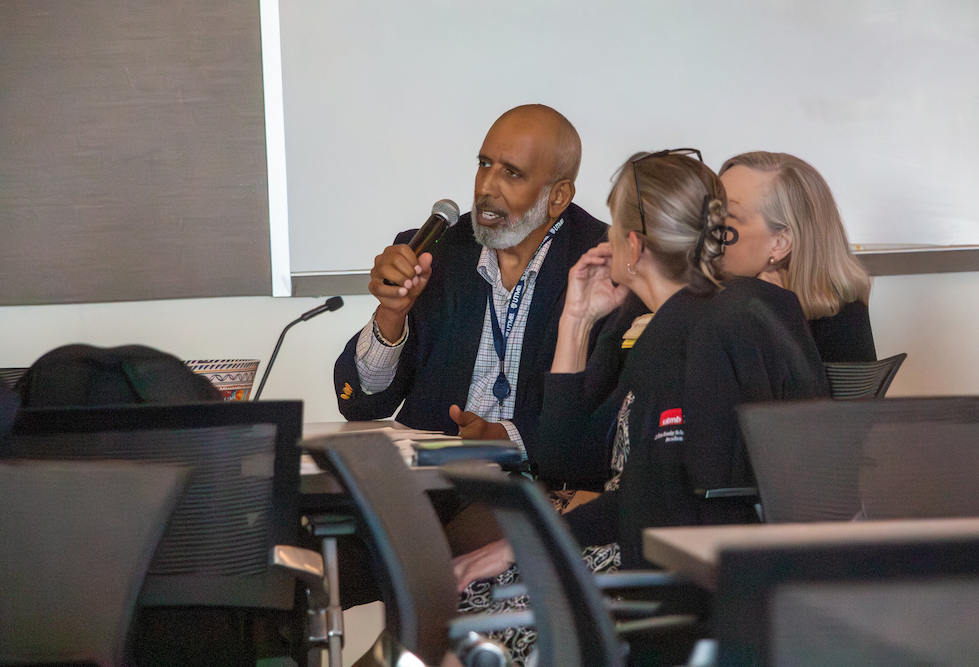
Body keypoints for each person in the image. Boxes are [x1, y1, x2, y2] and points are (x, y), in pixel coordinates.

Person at [454, 151, 829, 662]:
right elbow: (568, 462)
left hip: (678, 579)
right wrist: (576, 323)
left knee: (465, 613)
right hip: (688, 562)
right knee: (468, 598)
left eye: (612, 227)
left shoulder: (694, 331)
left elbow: (669, 500)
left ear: (632, 244)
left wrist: (531, 542)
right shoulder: (680, 321)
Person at [334, 104, 609, 456]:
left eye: (511, 173)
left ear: (557, 196)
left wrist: (508, 438)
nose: (486, 187)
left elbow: (606, 413)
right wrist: (392, 313)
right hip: (436, 480)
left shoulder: (603, 263)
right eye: (484, 165)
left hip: (545, 483)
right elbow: (362, 405)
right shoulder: (436, 251)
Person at [719, 151, 876, 362]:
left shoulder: (747, 316)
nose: (705, 225)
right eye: (709, 208)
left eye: (728, 215)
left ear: (780, 244)